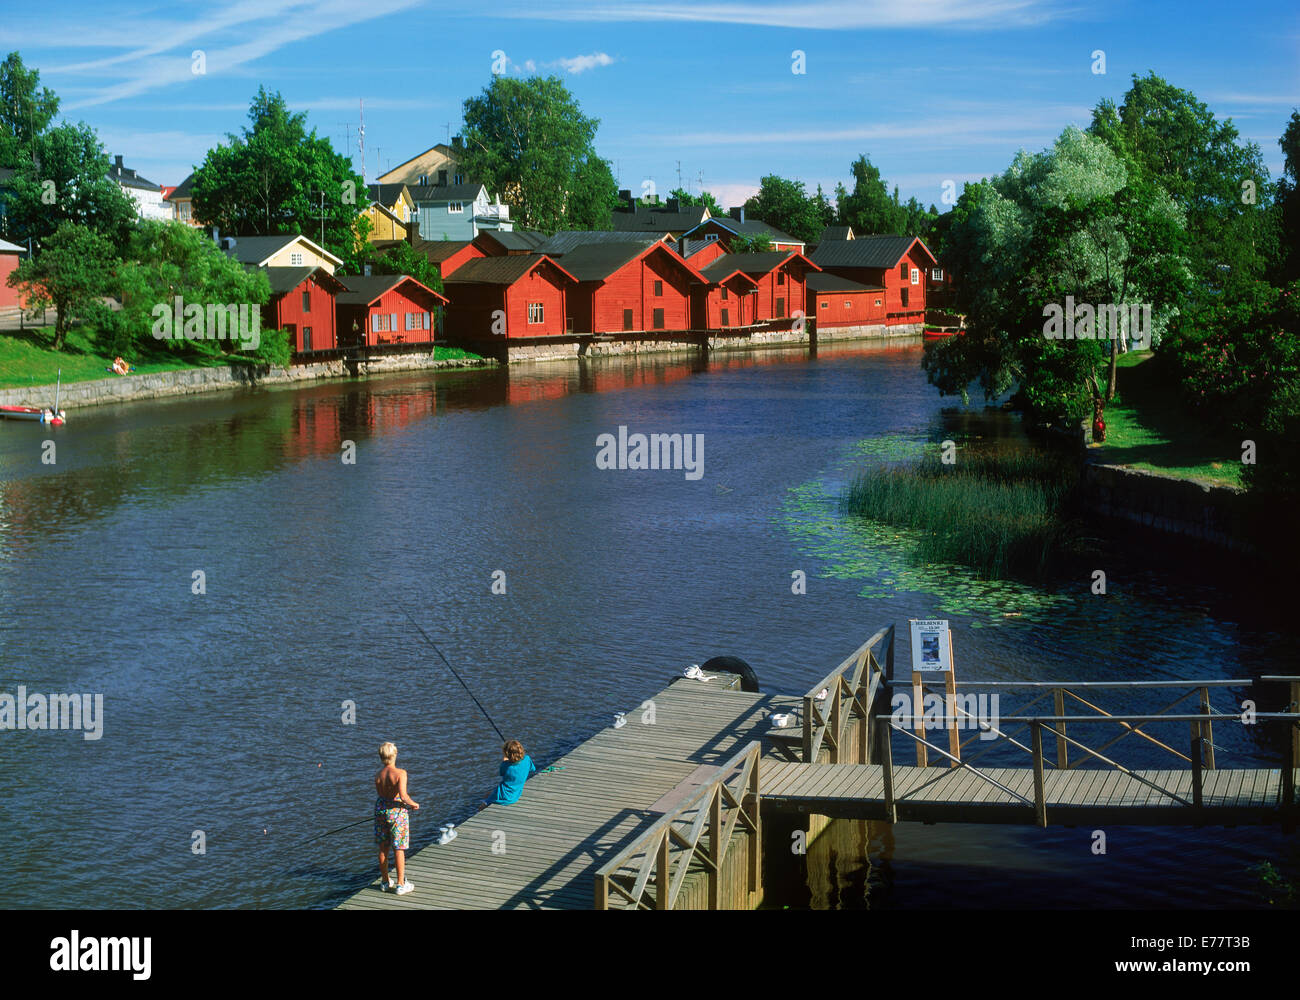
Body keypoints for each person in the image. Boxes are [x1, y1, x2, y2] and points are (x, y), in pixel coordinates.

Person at [374, 742, 419, 895]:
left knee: (383, 846)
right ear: (395, 755)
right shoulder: (401, 773)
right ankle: (400, 884)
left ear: (381, 757)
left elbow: (381, 795)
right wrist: (414, 804)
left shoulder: (378, 775)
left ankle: (385, 881)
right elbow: (403, 796)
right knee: (399, 848)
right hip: (397, 813)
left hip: (380, 810)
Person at [482, 740, 537, 808]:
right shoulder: (527, 759)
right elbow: (532, 769)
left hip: (504, 794)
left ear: (507, 754)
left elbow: (502, 773)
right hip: (516, 794)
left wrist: (505, 761)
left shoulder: (505, 765)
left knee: (485, 802)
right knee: (489, 793)